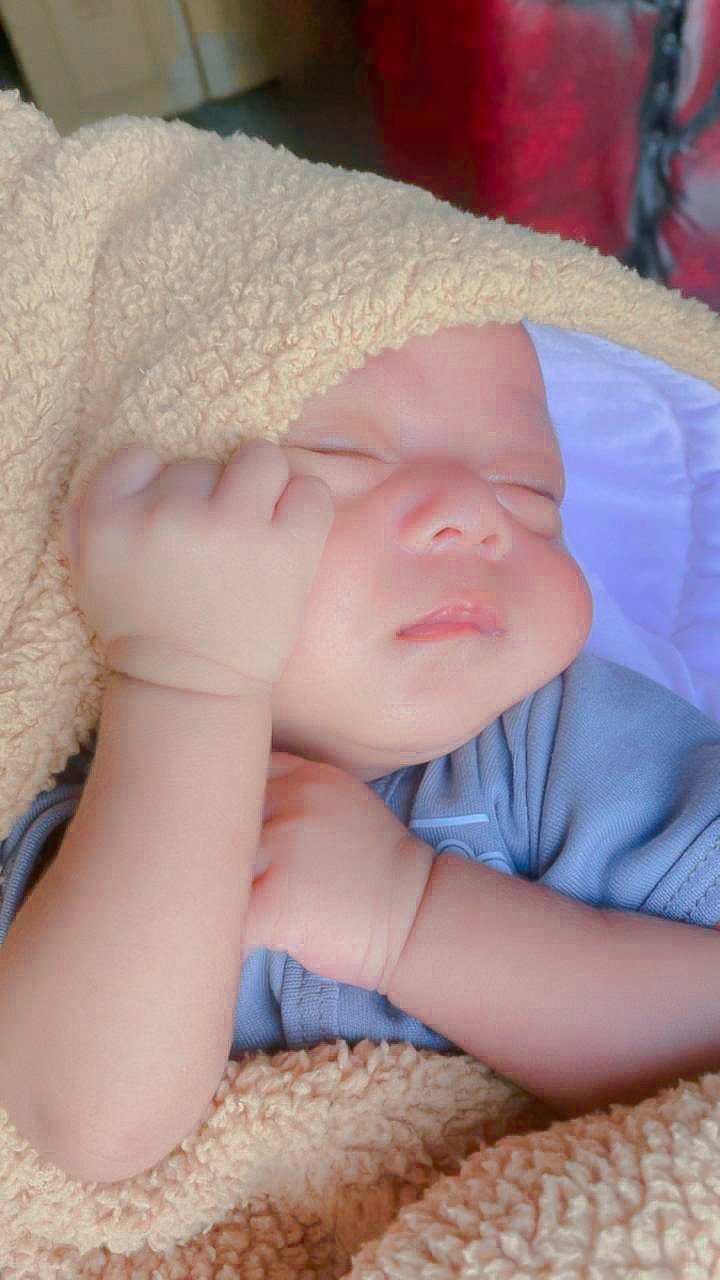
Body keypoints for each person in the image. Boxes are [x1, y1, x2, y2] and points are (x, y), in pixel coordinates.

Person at [1, 320, 719, 1185]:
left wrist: (407, 916)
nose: (473, 513)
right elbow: (91, 1124)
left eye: (529, 488)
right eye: (339, 455)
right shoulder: (86, 815)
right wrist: (185, 681)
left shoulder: (568, 745)